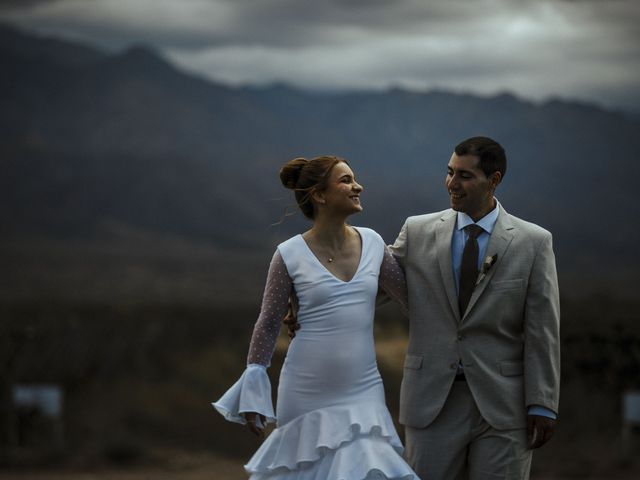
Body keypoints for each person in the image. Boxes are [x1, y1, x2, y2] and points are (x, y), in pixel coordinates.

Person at [213, 156, 419, 479]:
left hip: (363, 388)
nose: (358, 186)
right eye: (346, 180)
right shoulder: (289, 254)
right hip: (305, 391)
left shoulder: (375, 244)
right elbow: (268, 322)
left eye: (355, 179)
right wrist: (253, 387)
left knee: (366, 465)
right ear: (320, 196)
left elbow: (413, 297)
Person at [389, 136, 560, 479]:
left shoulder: (533, 242)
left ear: (493, 180)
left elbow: (543, 328)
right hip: (431, 402)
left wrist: (543, 401)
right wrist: (302, 295)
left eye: (465, 176)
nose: (452, 183)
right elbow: (368, 285)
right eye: (450, 172)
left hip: (504, 405)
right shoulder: (417, 231)